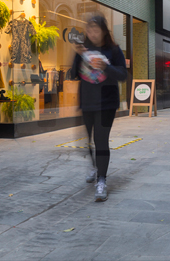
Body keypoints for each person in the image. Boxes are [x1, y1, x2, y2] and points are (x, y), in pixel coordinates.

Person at [69, 13, 128, 202]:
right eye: (90, 29)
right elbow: (73, 74)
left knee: (101, 141)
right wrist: (78, 56)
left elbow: (123, 75)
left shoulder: (114, 50)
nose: (93, 33)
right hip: (87, 102)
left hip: (107, 103)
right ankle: (94, 167)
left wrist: (106, 67)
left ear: (104, 31)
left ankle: (101, 180)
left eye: (96, 29)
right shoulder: (82, 50)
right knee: (87, 140)